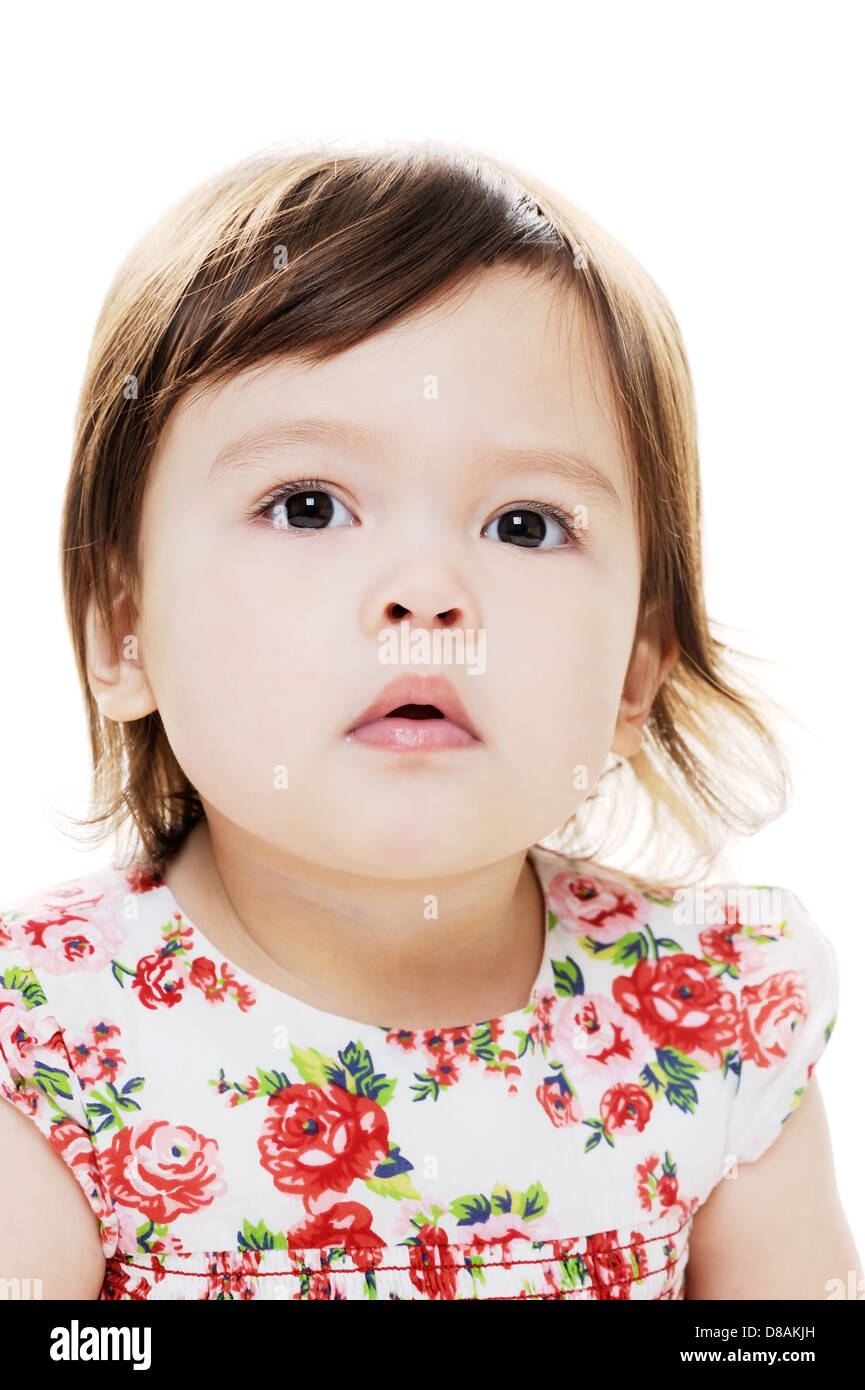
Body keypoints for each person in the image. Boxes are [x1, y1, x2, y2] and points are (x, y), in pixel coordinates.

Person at [0, 140, 858, 1301]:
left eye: (524, 524)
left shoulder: (711, 1017)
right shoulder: (51, 1040)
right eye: (307, 506)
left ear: (637, 664)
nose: (425, 591)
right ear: (121, 629)